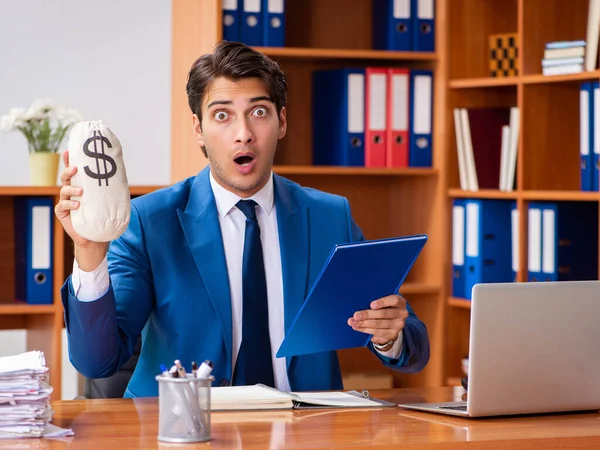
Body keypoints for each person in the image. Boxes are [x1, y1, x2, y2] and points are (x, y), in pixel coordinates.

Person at [55, 40, 430, 398]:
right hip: (188, 429)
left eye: (259, 112)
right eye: (222, 116)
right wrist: (88, 250)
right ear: (198, 130)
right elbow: (97, 362)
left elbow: (414, 347)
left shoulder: (330, 216)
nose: (243, 134)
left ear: (281, 122)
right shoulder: (150, 221)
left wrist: (388, 335)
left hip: (305, 428)